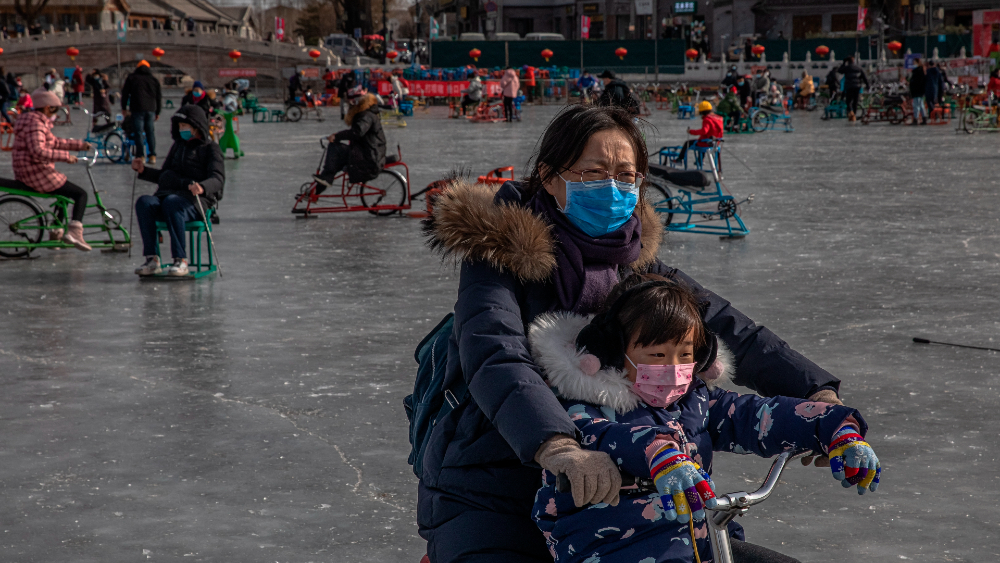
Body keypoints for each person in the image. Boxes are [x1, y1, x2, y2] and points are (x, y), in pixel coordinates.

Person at [418, 105, 848, 563]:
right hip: (495, 482)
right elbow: (495, 354)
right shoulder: (496, 261)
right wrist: (556, 445)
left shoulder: (634, 265)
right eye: (594, 172)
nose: (613, 186)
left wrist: (814, 392)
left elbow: (724, 324)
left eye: (627, 175)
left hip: (620, 494)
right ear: (549, 176)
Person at [529, 274, 880, 563]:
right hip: (617, 548)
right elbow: (602, 435)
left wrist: (833, 426)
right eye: (656, 355)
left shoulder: (695, 400)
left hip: (701, 542)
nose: (672, 369)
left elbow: (755, 416)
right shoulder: (581, 405)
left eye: (684, 355)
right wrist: (658, 454)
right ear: (613, 351)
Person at [131, 104, 224, 277]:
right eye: (180, 126)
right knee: (144, 202)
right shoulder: (177, 147)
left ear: (196, 127)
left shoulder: (210, 149)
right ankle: (152, 259)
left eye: (185, 126)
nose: (182, 130)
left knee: (172, 203)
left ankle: (180, 260)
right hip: (168, 196)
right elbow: (164, 176)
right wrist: (143, 171)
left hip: (194, 201)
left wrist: (202, 187)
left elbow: (217, 179)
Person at [12, 88, 92, 250]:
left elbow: (54, 142)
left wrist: (79, 145)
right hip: (34, 172)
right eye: (56, 110)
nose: (57, 114)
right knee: (80, 194)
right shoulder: (36, 124)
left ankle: (56, 231)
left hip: (30, 169)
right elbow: (38, 151)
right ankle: (74, 232)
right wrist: (65, 156)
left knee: (62, 194)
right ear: (48, 108)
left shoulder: (34, 121)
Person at [313, 86, 385, 193]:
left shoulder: (366, 115)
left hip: (369, 157)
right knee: (337, 158)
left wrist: (337, 136)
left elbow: (357, 132)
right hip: (367, 152)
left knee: (335, 148)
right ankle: (318, 190)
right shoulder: (366, 113)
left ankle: (324, 181)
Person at [121, 60, 162, 164]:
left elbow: (125, 94)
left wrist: (124, 108)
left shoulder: (132, 78)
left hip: (137, 108)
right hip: (151, 109)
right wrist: (158, 112)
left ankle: (140, 156)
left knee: (138, 133)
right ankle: (152, 155)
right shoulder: (154, 80)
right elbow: (159, 97)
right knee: (150, 132)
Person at [671, 100, 723, 167]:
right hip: (716, 142)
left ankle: (679, 159)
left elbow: (704, 131)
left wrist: (691, 131)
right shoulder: (719, 118)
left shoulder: (707, 119)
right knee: (701, 141)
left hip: (707, 143)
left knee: (688, 143)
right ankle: (700, 160)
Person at [838, 56, 869, 122]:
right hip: (857, 86)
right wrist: (867, 85)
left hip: (849, 86)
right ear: (853, 61)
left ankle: (850, 112)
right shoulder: (858, 68)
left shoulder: (846, 68)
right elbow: (864, 78)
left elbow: (839, 70)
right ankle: (854, 114)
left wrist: (843, 63)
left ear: (848, 62)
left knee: (848, 101)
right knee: (855, 101)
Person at [909, 58, 928, 125]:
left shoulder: (918, 71)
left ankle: (916, 119)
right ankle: (924, 118)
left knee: (916, 105)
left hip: (917, 90)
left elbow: (917, 81)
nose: (913, 64)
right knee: (921, 105)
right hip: (919, 91)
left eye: (914, 63)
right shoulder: (920, 70)